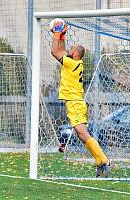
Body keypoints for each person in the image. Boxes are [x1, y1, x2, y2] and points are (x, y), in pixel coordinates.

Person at [50, 19, 111, 177]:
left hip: (76, 103)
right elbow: (62, 51)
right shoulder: (74, 63)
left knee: (83, 134)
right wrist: (62, 36)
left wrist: (57, 32)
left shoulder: (71, 63)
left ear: (75, 54)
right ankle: (99, 161)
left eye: (71, 50)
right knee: (81, 135)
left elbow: (55, 52)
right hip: (75, 103)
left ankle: (105, 160)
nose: (68, 51)